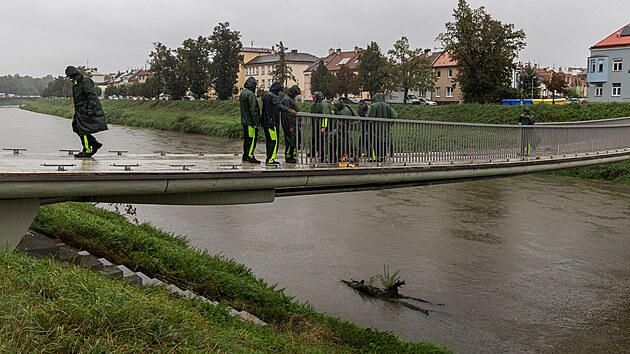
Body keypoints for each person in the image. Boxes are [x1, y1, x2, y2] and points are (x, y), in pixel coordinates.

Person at [65, 66, 107, 158]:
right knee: (76, 127)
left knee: (83, 130)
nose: (69, 78)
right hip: (79, 110)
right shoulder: (76, 82)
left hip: (85, 110)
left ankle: (87, 150)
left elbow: (91, 96)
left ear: (74, 75)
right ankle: (94, 143)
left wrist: (90, 109)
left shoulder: (85, 81)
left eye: (70, 76)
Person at [261, 82, 297, 166]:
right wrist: (289, 110)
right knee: (274, 141)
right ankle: (270, 160)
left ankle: (269, 158)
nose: (279, 92)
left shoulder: (266, 95)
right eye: (279, 90)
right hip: (272, 122)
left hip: (266, 122)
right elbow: (278, 105)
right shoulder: (272, 96)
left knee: (269, 141)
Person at [366, 92, 397, 162]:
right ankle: (382, 158)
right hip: (385, 129)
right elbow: (394, 115)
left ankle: (377, 158)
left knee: (375, 143)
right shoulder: (387, 106)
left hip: (375, 129)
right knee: (384, 143)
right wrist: (389, 123)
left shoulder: (373, 105)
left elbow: (368, 117)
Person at [239, 77, 261, 164]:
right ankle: (250, 156)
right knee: (252, 139)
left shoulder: (243, 93)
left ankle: (245, 155)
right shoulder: (250, 94)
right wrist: (257, 122)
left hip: (244, 121)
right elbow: (253, 110)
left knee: (247, 139)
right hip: (250, 122)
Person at [279, 85, 301, 164]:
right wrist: (290, 126)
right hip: (290, 124)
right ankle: (288, 156)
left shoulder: (289, 99)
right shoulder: (287, 100)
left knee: (293, 140)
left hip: (293, 124)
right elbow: (287, 115)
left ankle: (291, 155)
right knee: (289, 141)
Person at [310, 91, 333, 162]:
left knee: (323, 143)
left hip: (322, 128)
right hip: (316, 127)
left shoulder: (324, 105)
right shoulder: (314, 105)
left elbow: (325, 117)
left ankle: (324, 157)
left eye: (314, 97)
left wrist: (324, 127)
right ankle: (318, 154)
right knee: (316, 141)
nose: (313, 99)